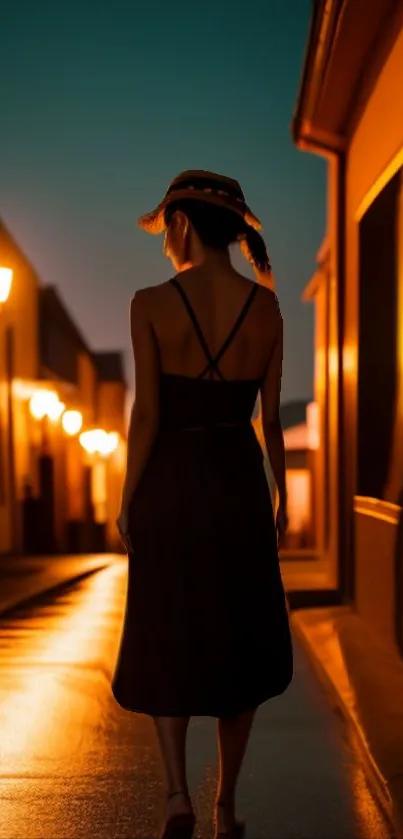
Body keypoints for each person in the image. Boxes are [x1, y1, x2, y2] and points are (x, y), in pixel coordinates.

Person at [112, 170, 293, 839]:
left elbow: (147, 414)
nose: (163, 242)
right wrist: (277, 497)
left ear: (181, 224)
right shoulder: (268, 310)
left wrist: (128, 498)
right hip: (238, 482)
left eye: (165, 227)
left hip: (170, 481)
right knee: (239, 636)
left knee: (168, 630)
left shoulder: (149, 303)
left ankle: (175, 796)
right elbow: (269, 421)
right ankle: (225, 805)